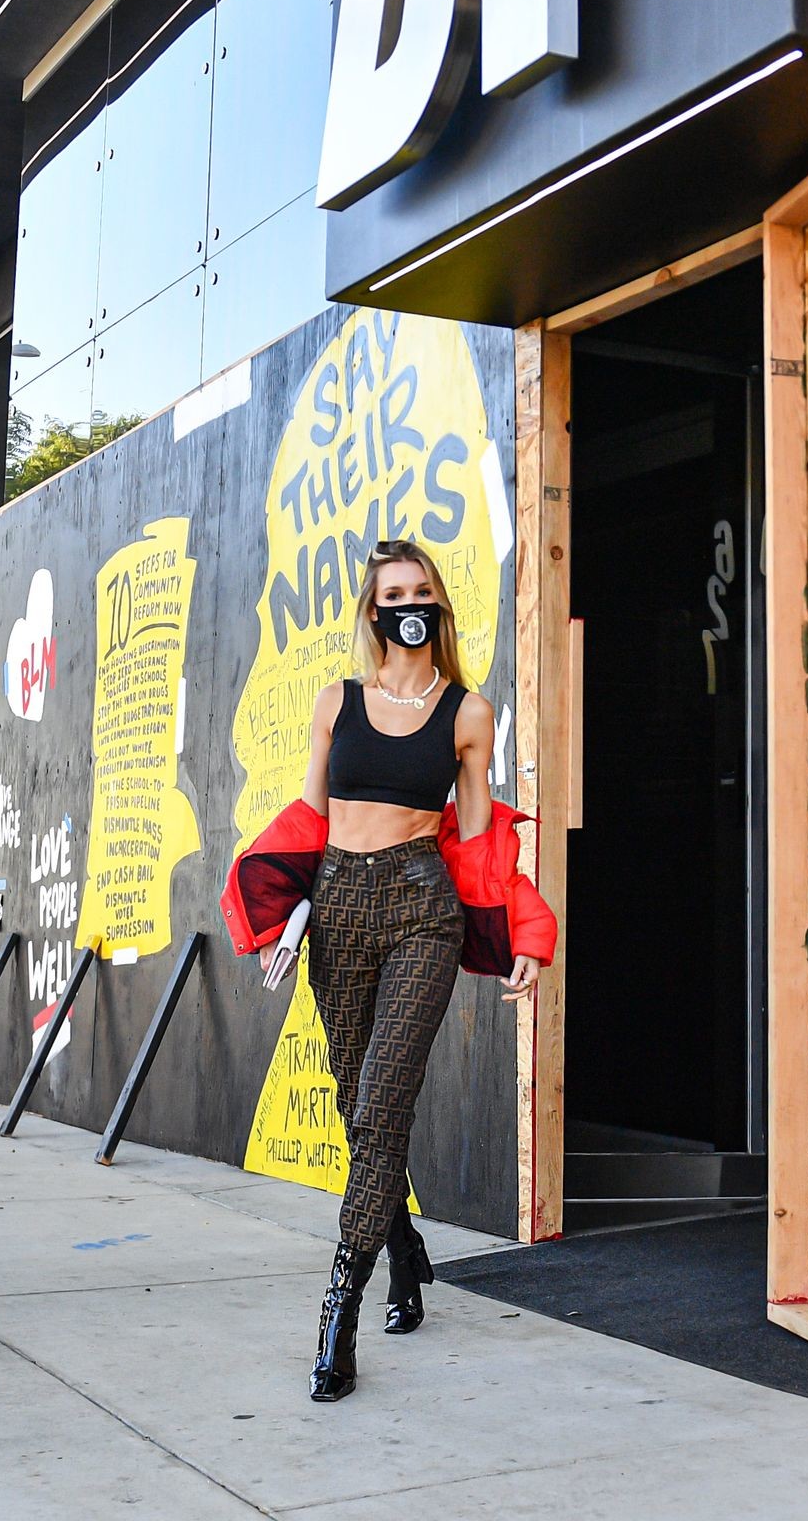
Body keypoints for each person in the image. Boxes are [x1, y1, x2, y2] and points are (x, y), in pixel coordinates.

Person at [222, 537, 556, 1403]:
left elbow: (479, 844)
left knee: (381, 1101)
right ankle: (403, 1248)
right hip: (338, 907)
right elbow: (310, 815)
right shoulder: (337, 701)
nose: (408, 605)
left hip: (420, 910)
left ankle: (339, 1309)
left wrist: (527, 928)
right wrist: (273, 898)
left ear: (438, 604)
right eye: (393, 595)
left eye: (420, 592)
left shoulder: (467, 712)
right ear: (373, 612)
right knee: (354, 1101)